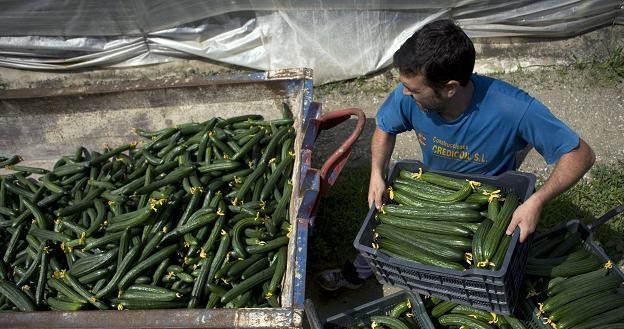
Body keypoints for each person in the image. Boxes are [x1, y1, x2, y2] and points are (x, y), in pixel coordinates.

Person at [317, 19, 595, 291]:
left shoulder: (513, 108)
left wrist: (537, 201)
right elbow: (385, 129)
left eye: (414, 89)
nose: (404, 93)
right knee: (388, 234)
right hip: (432, 188)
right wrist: (377, 173)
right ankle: (359, 272)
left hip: (485, 203)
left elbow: (580, 154)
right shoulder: (408, 96)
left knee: (468, 271)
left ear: (450, 88)